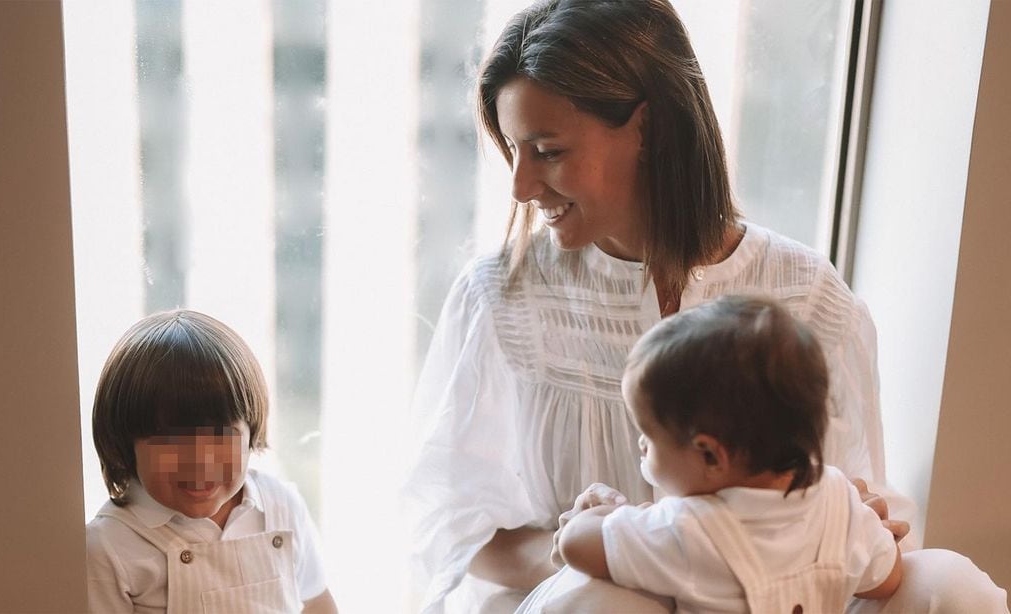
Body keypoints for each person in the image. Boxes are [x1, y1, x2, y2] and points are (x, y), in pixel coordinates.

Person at [404, 0, 1009, 612]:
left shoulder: (805, 295)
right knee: (592, 601)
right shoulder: (503, 296)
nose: (520, 186)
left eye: (548, 151)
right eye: (514, 149)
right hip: (592, 595)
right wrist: (610, 550)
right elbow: (463, 530)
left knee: (951, 586)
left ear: (646, 127)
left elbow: (868, 530)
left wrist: (853, 521)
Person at [549, 295, 902, 612]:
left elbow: (576, 546)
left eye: (649, 435)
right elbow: (887, 580)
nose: (641, 445)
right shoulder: (840, 501)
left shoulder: (686, 530)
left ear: (711, 456)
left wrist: (607, 513)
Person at [85, 310, 338, 613]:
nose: (201, 462)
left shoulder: (280, 505)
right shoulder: (108, 546)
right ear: (125, 444)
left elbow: (317, 603)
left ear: (250, 430)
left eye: (221, 436)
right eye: (172, 440)